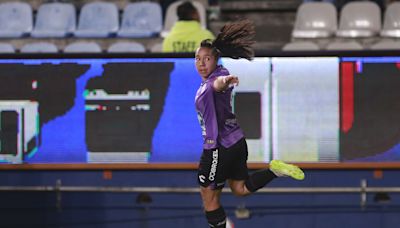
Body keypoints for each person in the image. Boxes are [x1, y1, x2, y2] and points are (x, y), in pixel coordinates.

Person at [194, 20, 305, 228]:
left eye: (206, 59)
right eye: (198, 59)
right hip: (237, 143)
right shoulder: (219, 73)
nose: (201, 63)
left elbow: (218, 85)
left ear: (216, 60)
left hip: (218, 147)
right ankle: (274, 170)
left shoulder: (214, 81)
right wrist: (225, 80)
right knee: (240, 189)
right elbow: (220, 82)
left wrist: (225, 83)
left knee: (209, 199)